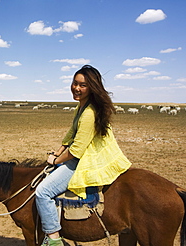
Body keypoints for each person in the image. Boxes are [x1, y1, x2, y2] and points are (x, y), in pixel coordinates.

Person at [35, 65, 132, 246]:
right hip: (80, 154)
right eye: (74, 83)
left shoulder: (89, 113)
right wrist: (59, 149)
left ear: (92, 87)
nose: (76, 88)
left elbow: (76, 151)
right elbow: (72, 133)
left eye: (83, 85)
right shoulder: (82, 107)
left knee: (42, 192)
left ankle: (54, 240)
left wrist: (56, 160)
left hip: (84, 160)